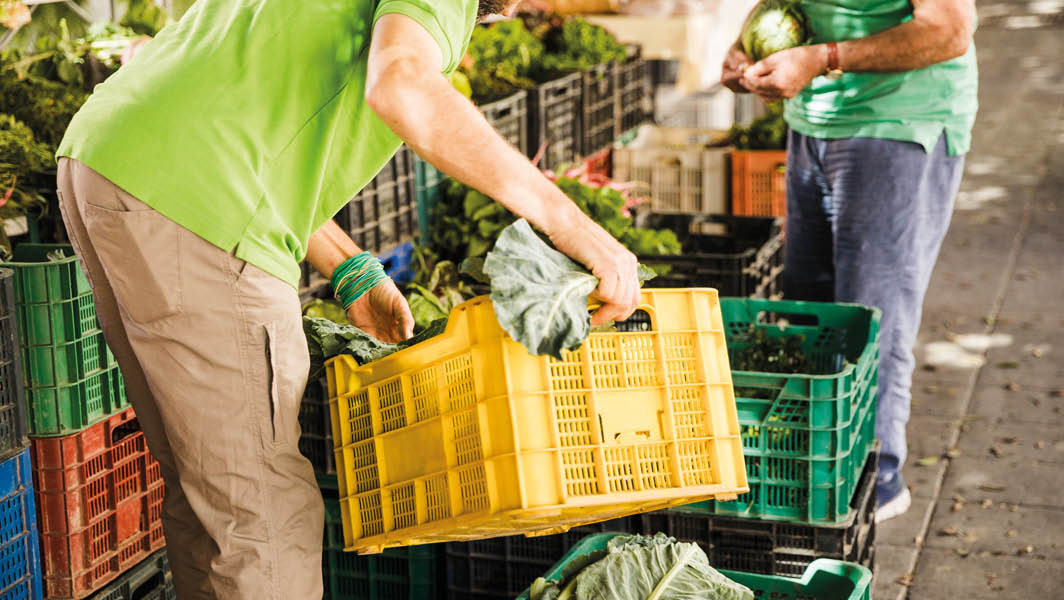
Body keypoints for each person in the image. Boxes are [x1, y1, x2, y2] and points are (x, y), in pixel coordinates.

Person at [54, 0, 641, 597]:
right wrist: (573, 226)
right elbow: (401, 83)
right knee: (261, 510)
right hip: (192, 202)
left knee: (208, 489)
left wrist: (350, 268)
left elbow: (238, 110)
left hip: (108, 161)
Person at [721, 0, 977, 522]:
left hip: (899, 122)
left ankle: (876, 477)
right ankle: (820, 465)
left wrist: (824, 58)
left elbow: (949, 31)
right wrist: (745, 44)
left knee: (871, 314)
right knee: (812, 309)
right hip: (815, 119)